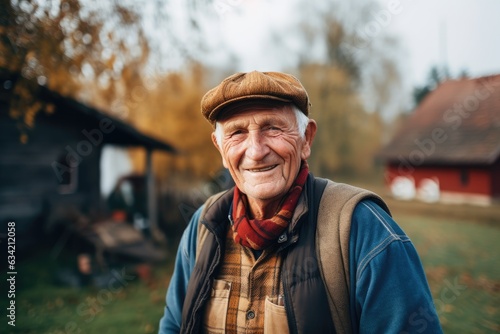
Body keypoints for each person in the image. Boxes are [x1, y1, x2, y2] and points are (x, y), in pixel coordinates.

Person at [158, 71, 442, 334]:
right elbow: (174, 324)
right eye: (237, 133)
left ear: (306, 139)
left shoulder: (364, 229)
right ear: (220, 148)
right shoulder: (204, 224)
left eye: (272, 128)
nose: (256, 152)